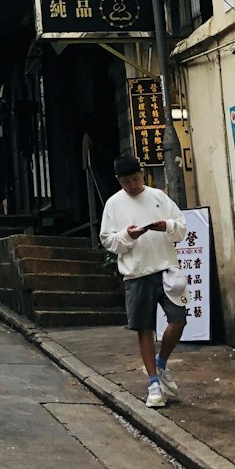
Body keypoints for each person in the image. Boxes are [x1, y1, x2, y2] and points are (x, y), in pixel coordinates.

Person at [100, 153, 187, 408]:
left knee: (178, 319)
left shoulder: (158, 196)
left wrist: (167, 226)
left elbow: (181, 226)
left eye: (136, 179)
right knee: (144, 327)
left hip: (166, 269)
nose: (133, 185)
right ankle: (153, 383)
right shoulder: (114, 204)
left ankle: (160, 363)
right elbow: (108, 240)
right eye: (126, 182)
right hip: (136, 273)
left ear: (142, 175)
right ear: (119, 181)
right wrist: (128, 236)